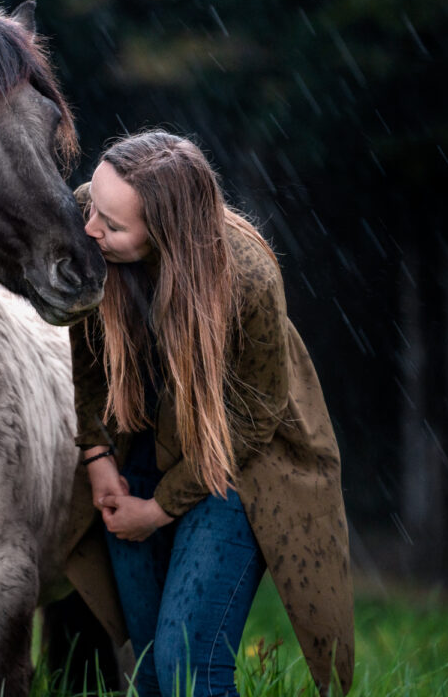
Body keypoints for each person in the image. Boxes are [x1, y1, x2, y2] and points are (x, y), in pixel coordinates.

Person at [59, 131, 355, 697]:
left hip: (237, 460)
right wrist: (97, 456)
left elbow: (255, 417)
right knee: (149, 668)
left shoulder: (247, 276)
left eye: (112, 225)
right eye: (91, 204)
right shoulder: (91, 220)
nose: (89, 227)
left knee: (188, 668)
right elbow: (88, 361)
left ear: (165, 232)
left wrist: (158, 510)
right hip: (140, 439)